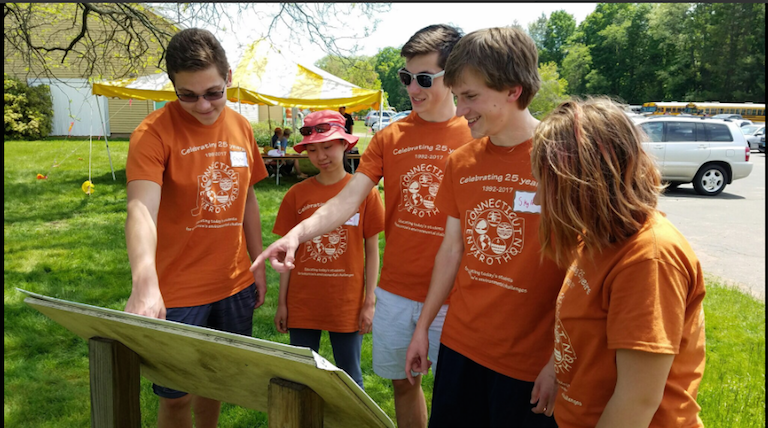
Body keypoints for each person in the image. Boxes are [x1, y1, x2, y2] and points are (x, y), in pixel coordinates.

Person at [252, 24, 472, 428]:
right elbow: (348, 199)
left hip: (457, 293)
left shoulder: (476, 133)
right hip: (396, 290)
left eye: (424, 79)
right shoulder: (390, 136)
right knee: (404, 383)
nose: (413, 89)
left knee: (455, 395)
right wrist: (296, 234)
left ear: (455, 76)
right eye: (407, 78)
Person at [404, 27, 564, 427]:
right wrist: (423, 328)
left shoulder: (563, 162)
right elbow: (452, 250)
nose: (460, 111)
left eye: (471, 97)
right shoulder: (462, 161)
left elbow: (585, 273)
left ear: (513, 89)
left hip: (529, 362)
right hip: (460, 346)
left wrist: (558, 362)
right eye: (458, 96)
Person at [530, 97, 706, 428]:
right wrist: (556, 368)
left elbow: (636, 401)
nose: (538, 198)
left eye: (546, 182)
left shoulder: (649, 260)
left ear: (586, 183)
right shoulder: (597, 236)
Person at [124, 28, 268, 428]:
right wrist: (144, 284)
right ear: (172, 85)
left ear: (229, 78)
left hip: (234, 283)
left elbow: (248, 199)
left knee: (216, 384)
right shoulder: (151, 134)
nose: (203, 105)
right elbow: (140, 209)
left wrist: (257, 261)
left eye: (213, 92)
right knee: (175, 397)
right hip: (177, 292)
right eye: (187, 95)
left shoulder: (241, 127)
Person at [272, 110, 385, 389]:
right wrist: (283, 302)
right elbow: (288, 254)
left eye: (327, 146)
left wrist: (369, 300)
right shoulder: (296, 194)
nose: (321, 156)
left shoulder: (365, 193)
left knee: (349, 378)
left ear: (345, 144)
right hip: (303, 302)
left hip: (345, 303)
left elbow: (372, 249)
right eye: (312, 149)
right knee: (302, 378)